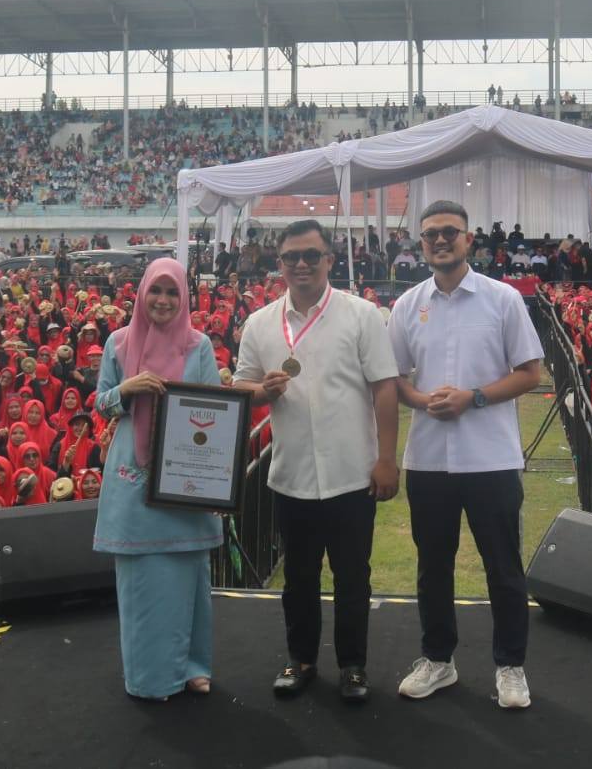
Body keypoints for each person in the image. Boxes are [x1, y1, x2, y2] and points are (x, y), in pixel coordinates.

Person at [233, 219, 400, 703]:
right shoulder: (262, 323)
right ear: (279, 263)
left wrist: (387, 458)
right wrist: (261, 389)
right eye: (291, 257)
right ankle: (301, 658)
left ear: (329, 258)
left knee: (353, 577)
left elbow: (384, 387)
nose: (301, 264)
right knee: (299, 579)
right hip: (292, 474)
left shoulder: (362, 314)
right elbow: (240, 386)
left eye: (311, 255)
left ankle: (353, 665)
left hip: (353, 472)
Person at [388, 201, 544, 710]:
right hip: (429, 458)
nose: (439, 241)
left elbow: (529, 372)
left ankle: (511, 666)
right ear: (420, 242)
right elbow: (395, 379)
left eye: (448, 232)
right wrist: (421, 401)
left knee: (503, 566)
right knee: (433, 565)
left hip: (491, 458)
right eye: (429, 234)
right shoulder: (408, 304)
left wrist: (471, 398)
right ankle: (438, 659)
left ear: (468, 238)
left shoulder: (502, 299)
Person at [91, 258, 224, 700]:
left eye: (172, 293)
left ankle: (193, 667)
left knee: (189, 579)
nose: (164, 301)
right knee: (142, 583)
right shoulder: (117, 343)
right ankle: (149, 677)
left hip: (185, 477)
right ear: (142, 294)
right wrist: (125, 391)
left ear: (184, 296)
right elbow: (101, 403)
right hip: (134, 478)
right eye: (156, 291)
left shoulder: (198, 345)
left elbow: (211, 406)